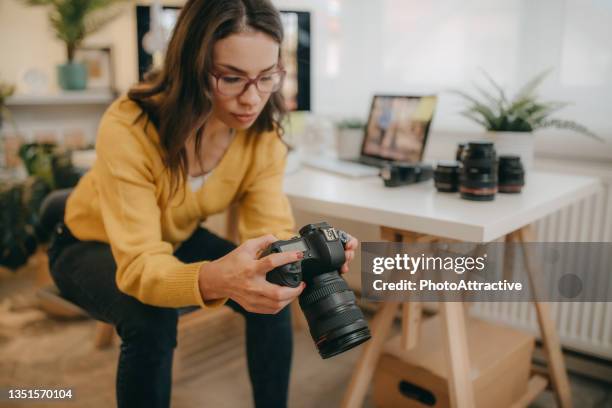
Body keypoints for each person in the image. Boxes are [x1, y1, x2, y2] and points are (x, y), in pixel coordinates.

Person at [47, 1, 358, 407]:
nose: (252, 99)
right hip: (86, 243)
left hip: (173, 237)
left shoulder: (261, 134)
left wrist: (304, 255)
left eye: (267, 78)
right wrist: (215, 278)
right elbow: (140, 263)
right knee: (151, 317)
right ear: (191, 68)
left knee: (273, 283)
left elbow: (270, 234)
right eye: (231, 78)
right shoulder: (128, 126)